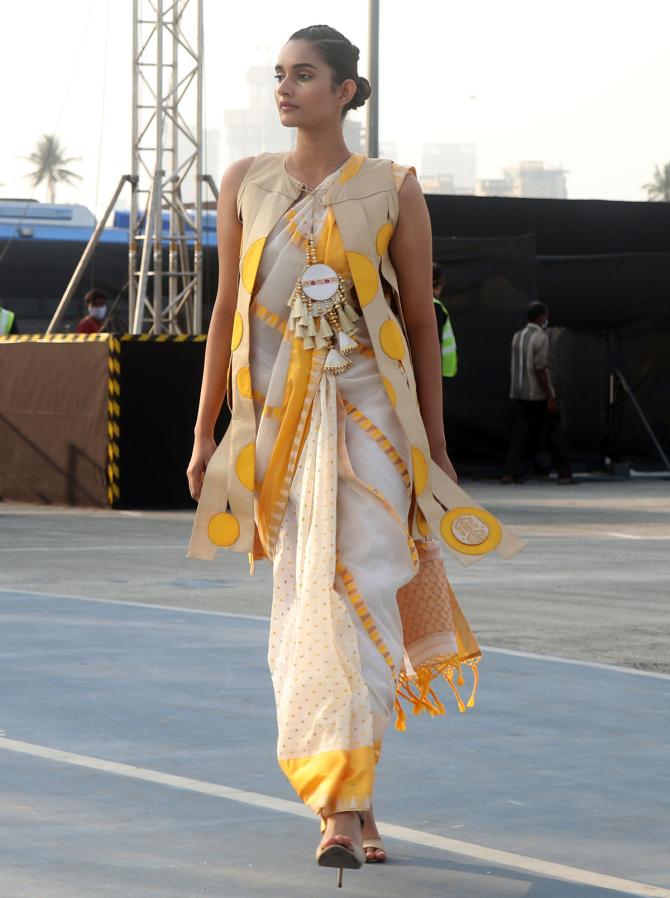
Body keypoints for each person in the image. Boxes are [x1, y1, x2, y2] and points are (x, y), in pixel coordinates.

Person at [186, 24, 484, 884]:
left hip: (373, 427)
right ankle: (344, 801)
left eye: (305, 76)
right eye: (279, 75)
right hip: (277, 436)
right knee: (303, 607)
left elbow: (421, 323)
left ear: (348, 90)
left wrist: (434, 443)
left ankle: (347, 801)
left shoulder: (391, 189)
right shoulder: (246, 182)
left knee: (366, 601)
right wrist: (207, 432)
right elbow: (225, 318)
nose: (286, 89)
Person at [501, 301, 574, 484]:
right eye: (546, 316)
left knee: (519, 435)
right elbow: (541, 368)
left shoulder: (517, 336)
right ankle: (564, 474)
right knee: (553, 433)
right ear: (541, 317)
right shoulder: (541, 338)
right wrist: (550, 397)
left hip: (518, 392)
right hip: (537, 394)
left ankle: (510, 473)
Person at [432, 263, 457, 378]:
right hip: (439, 374)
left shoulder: (432, 306)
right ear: (440, 283)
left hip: (441, 372)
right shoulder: (434, 306)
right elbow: (435, 344)